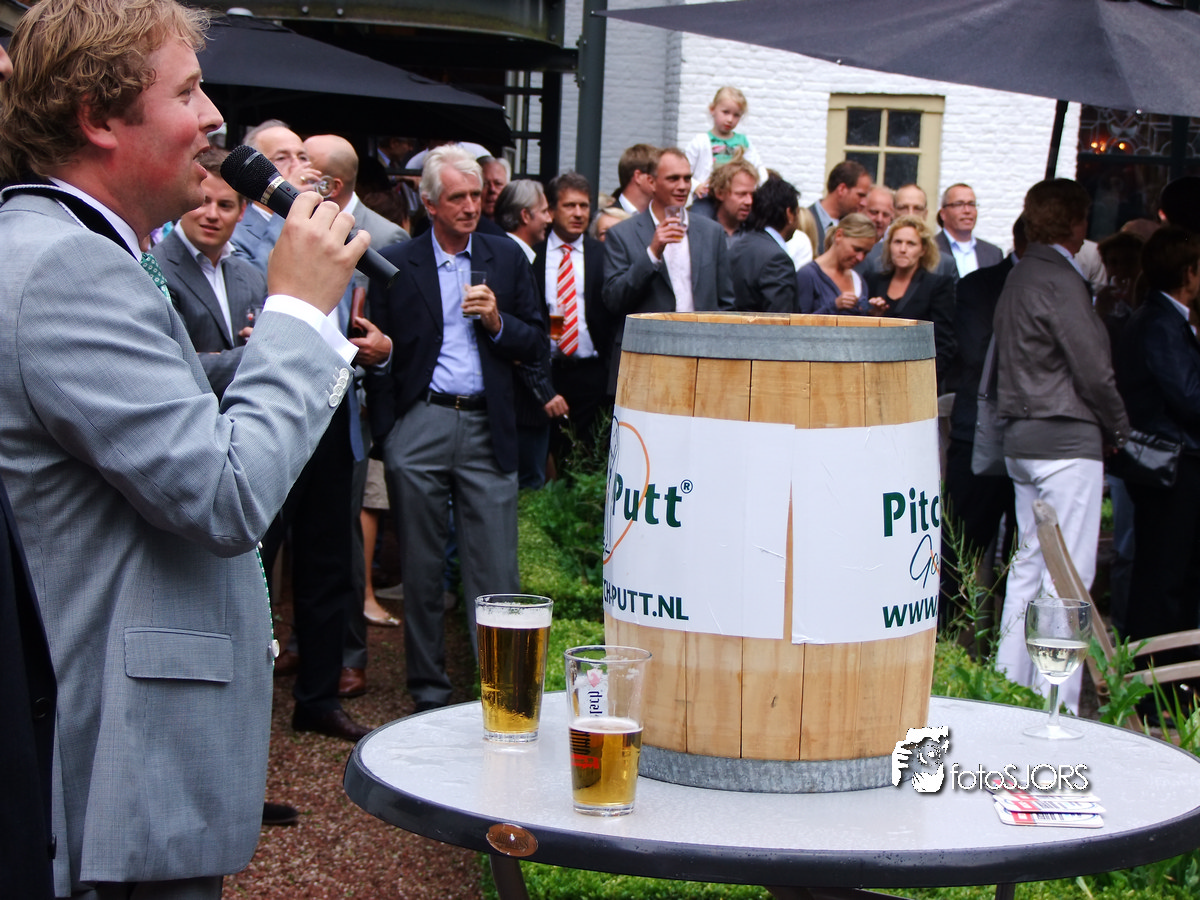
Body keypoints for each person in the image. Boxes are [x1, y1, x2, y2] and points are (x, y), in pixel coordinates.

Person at [0, 1, 367, 896]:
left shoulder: (69, 247)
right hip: (112, 768)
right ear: (98, 116)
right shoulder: (67, 267)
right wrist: (296, 312)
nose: (214, 118)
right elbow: (225, 495)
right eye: (189, 91)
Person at [366, 146, 545, 711]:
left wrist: (496, 321)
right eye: (458, 198)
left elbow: (536, 342)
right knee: (420, 569)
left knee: (497, 571)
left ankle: (503, 697)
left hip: (489, 424)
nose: (471, 206)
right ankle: (428, 693)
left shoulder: (505, 256)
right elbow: (379, 349)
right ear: (430, 204)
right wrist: (391, 433)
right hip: (422, 420)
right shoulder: (396, 262)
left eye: (476, 195)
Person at [992, 179, 1129, 715]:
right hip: (1065, 439)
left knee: (1029, 566)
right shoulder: (1061, 279)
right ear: (1077, 223)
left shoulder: (1020, 274)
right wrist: (1120, 430)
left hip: (1021, 436)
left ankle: (1006, 688)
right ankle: (1057, 702)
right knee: (1068, 576)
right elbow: (1094, 370)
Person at [302, 132, 408, 699]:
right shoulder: (290, 225)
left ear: (333, 182)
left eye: (306, 163)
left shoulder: (386, 238)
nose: (296, 171)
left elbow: (405, 328)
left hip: (357, 404)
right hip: (296, 397)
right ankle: (299, 647)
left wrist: (383, 352)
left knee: (344, 535)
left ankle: (348, 655)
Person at [1117, 227, 1200, 657]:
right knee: (1164, 576)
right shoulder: (1161, 322)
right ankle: (1155, 676)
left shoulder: (1166, 319)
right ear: (1189, 273)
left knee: (1175, 572)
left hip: (1175, 462)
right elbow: (1188, 396)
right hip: (1171, 465)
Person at [940, 218, 1024, 631]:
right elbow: (976, 352)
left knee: (1023, 553)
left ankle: (1007, 644)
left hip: (1032, 436)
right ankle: (944, 644)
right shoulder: (979, 285)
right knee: (959, 548)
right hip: (979, 433)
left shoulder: (1069, 284)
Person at [602, 147, 735, 394]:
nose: (682, 186)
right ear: (651, 182)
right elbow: (614, 299)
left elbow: (726, 303)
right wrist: (652, 252)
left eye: (687, 178)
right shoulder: (622, 234)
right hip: (646, 364)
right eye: (673, 178)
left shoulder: (711, 232)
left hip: (703, 362)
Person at [151, 148, 266, 398]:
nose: (212, 215)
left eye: (225, 205)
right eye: (203, 201)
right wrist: (263, 353)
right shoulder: (153, 270)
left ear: (241, 212)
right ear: (185, 199)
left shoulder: (252, 277)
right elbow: (176, 369)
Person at [535, 172, 614, 458]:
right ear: (551, 210)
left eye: (584, 205)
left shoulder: (603, 254)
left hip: (592, 371)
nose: (579, 213)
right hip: (548, 371)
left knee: (588, 455)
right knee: (549, 452)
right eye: (570, 205)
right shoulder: (534, 255)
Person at [494, 178, 565, 489]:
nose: (550, 218)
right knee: (526, 490)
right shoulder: (511, 257)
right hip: (522, 403)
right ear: (525, 215)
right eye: (545, 211)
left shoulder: (508, 254)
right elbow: (515, 336)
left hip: (522, 401)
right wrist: (543, 391)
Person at [865, 215, 956, 384]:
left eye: (911, 244)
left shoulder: (937, 285)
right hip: (874, 377)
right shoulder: (873, 281)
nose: (903, 249)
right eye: (897, 242)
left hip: (917, 379)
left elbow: (944, 343)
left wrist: (927, 382)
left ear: (923, 250)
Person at [229, 119, 321, 274]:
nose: (297, 166)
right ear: (255, 172)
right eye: (281, 158)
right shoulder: (233, 230)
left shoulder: (318, 226)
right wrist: (288, 204)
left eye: (302, 158)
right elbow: (253, 282)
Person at [731, 174, 800, 313]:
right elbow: (780, 318)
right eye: (797, 213)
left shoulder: (737, 246)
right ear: (789, 214)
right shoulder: (777, 260)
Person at [684, 85, 765, 203]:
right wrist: (696, 186)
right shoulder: (700, 142)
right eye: (725, 112)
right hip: (707, 198)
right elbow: (684, 171)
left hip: (735, 200)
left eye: (736, 115)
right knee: (701, 213)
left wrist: (753, 187)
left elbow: (758, 169)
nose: (730, 119)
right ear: (712, 109)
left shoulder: (743, 142)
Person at [795, 212, 875, 314]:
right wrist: (834, 307)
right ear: (839, 235)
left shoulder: (858, 280)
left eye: (865, 253)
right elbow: (799, 321)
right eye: (856, 249)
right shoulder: (807, 275)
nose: (860, 258)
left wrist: (872, 311)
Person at [935, 183, 1003, 278]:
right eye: (959, 204)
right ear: (943, 213)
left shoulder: (993, 253)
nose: (967, 210)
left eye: (971, 204)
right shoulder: (929, 249)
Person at [808, 160, 871, 255]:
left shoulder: (853, 225)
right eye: (860, 195)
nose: (864, 203)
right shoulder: (804, 221)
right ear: (842, 189)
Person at [705, 158, 759, 248]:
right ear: (720, 193)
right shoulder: (702, 232)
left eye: (752, 195)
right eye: (741, 194)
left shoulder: (757, 234)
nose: (749, 201)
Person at [855, 185, 897, 275]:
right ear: (861, 210)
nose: (879, 219)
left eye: (885, 215)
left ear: (892, 217)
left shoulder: (895, 247)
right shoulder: (848, 240)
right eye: (874, 212)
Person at [612, 143, 658, 214]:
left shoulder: (661, 216)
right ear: (638, 177)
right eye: (657, 175)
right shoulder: (607, 219)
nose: (661, 181)